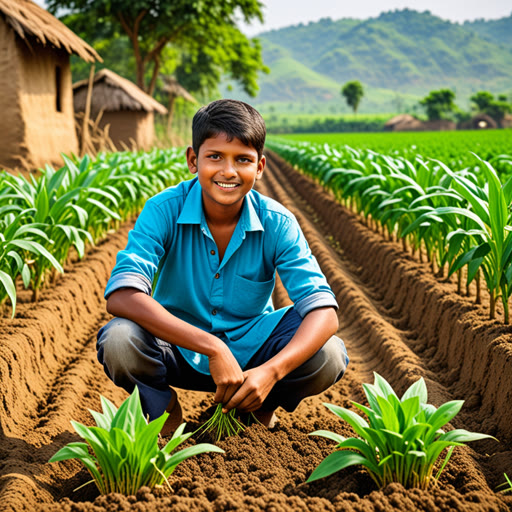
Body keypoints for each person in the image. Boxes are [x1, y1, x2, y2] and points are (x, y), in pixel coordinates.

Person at [97, 99, 349, 436]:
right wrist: (212, 346)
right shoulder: (163, 210)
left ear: (259, 167)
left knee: (328, 353)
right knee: (119, 339)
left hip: (252, 354)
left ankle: (257, 409)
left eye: (242, 160)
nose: (228, 171)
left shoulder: (277, 222)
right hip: (177, 349)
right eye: (214, 156)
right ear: (193, 160)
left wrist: (272, 372)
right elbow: (123, 295)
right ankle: (164, 410)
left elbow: (325, 312)